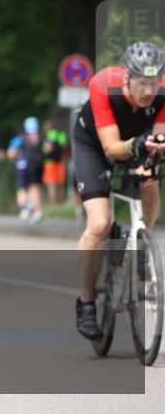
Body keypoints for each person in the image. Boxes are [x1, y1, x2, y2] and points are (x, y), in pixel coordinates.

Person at [73, 42, 165, 341]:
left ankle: (143, 242)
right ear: (127, 78)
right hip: (96, 145)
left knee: (150, 181)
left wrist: (150, 159)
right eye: (141, 82)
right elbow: (112, 147)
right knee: (99, 224)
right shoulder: (103, 84)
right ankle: (86, 302)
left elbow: (159, 138)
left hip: (138, 142)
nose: (148, 90)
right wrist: (138, 145)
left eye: (154, 82)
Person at [42, 119, 68, 205]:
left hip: (50, 163)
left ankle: (53, 204)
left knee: (51, 184)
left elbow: (46, 149)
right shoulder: (61, 135)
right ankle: (61, 204)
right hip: (60, 162)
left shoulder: (48, 136)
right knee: (60, 185)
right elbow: (65, 146)